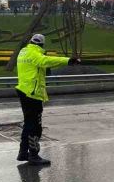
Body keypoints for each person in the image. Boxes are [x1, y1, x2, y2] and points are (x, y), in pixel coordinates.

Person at [15, 33, 80, 166]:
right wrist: (67, 60)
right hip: (32, 94)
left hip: (23, 90)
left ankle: (23, 152)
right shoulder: (35, 54)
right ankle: (33, 155)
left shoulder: (23, 52)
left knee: (28, 124)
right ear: (41, 44)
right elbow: (45, 61)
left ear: (31, 41)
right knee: (35, 126)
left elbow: (39, 65)